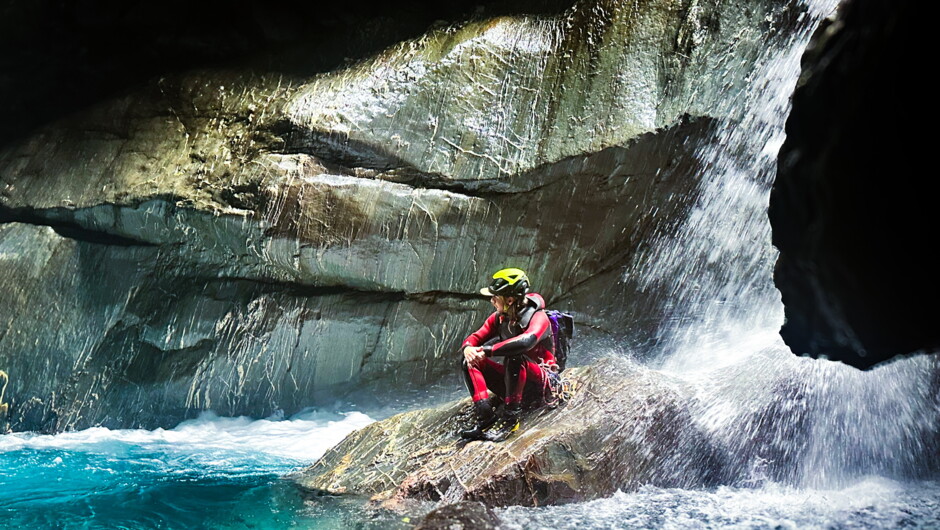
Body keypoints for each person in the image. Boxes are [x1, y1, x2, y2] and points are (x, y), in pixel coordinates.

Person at [459, 268, 557, 442]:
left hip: (539, 387)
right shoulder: (500, 317)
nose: (492, 301)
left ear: (510, 300)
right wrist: (468, 348)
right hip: (514, 383)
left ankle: (511, 419)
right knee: (470, 361)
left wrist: (488, 350)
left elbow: (526, 342)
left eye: (495, 297)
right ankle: (486, 416)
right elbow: (476, 337)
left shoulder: (538, 317)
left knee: (515, 357)